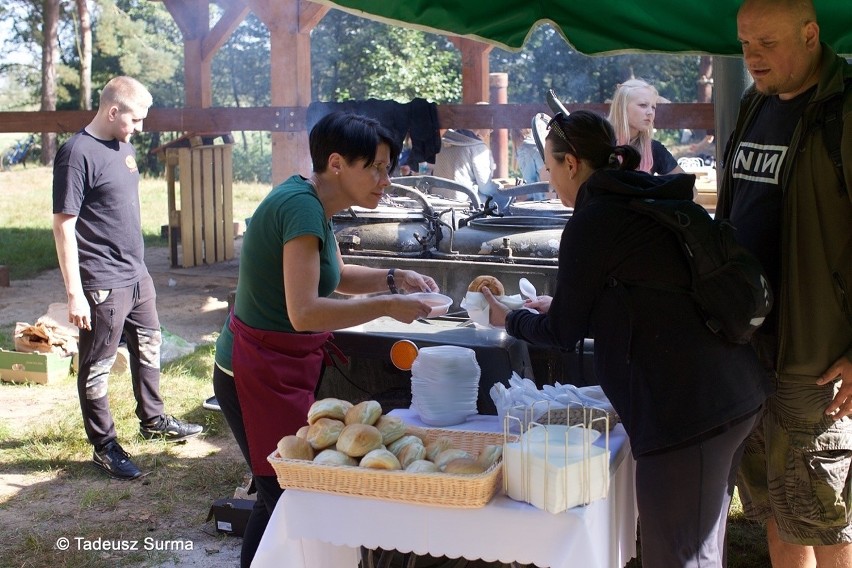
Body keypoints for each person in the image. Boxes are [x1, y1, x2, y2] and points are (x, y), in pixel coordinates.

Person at [481, 110, 772, 567]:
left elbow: (563, 334)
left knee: (678, 555)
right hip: (731, 393)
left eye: (549, 166)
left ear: (572, 164)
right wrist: (560, 307)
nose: (547, 176)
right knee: (700, 545)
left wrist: (509, 319)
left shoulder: (593, 220)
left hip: (687, 412)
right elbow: (644, 296)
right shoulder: (634, 198)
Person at [212, 111, 439, 567]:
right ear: (336, 163)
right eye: (374, 167)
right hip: (254, 370)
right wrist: (387, 306)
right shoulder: (300, 207)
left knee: (282, 492)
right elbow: (305, 312)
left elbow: (331, 278)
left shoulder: (314, 203)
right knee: (284, 496)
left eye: (387, 168)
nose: (385, 181)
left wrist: (393, 278)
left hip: (278, 364)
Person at [717, 1, 852, 566]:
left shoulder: (844, 111)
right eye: (746, 43)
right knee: (774, 511)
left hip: (814, 360)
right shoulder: (754, 104)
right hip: (749, 349)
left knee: (825, 521)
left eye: (766, 44)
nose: (753, 57)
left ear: (811, 34)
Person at [52, 76, 203, 481]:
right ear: (112, 110)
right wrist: (75, 295)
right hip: (102, 279)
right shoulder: (76, 153)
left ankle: (153, 420)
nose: (139, 128)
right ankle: (104, 446)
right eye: (134, 119)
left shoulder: (124, 147)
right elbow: (64, 226)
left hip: (137, 275)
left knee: (150, 346)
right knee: (98, 365)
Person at [608, 78, 685, 176]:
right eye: (643, 105)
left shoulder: (654, 149)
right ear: (621, 107)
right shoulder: (601, 145)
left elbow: (688, 187)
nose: (650, 112)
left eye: (653, 107)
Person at [431, 126, 509, 211]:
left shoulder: (443, 143)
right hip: (463, 205)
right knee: (504, 198)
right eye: (490, 127)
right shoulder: (478, 148)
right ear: (481, 124)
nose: (491, 131)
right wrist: (501, 187)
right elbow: (486, 188)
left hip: (438, 202)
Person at [511, 128, 549, 200]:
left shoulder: (522, 148)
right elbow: (546, 176)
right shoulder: (533, 146)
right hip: (546, 197)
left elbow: (529, 179)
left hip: (536, 197)